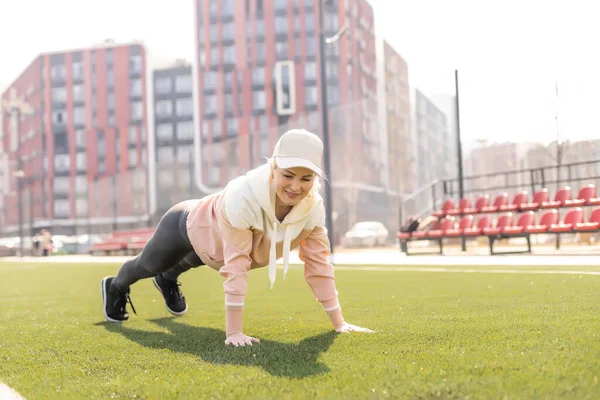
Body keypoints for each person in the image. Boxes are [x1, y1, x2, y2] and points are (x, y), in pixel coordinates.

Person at [101, 129, 373, 347]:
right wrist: (234, 333)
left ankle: (167, 279)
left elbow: (319, 266)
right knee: (148, 266)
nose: (295, 187)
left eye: (306, 178)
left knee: (192, 260)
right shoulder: (243, 198)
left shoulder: (313, 209)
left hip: (214, 249)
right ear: (273, 169)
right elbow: (236, 267)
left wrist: (339, 323)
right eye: (288, 175)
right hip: (186, 224)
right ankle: (115, 286)